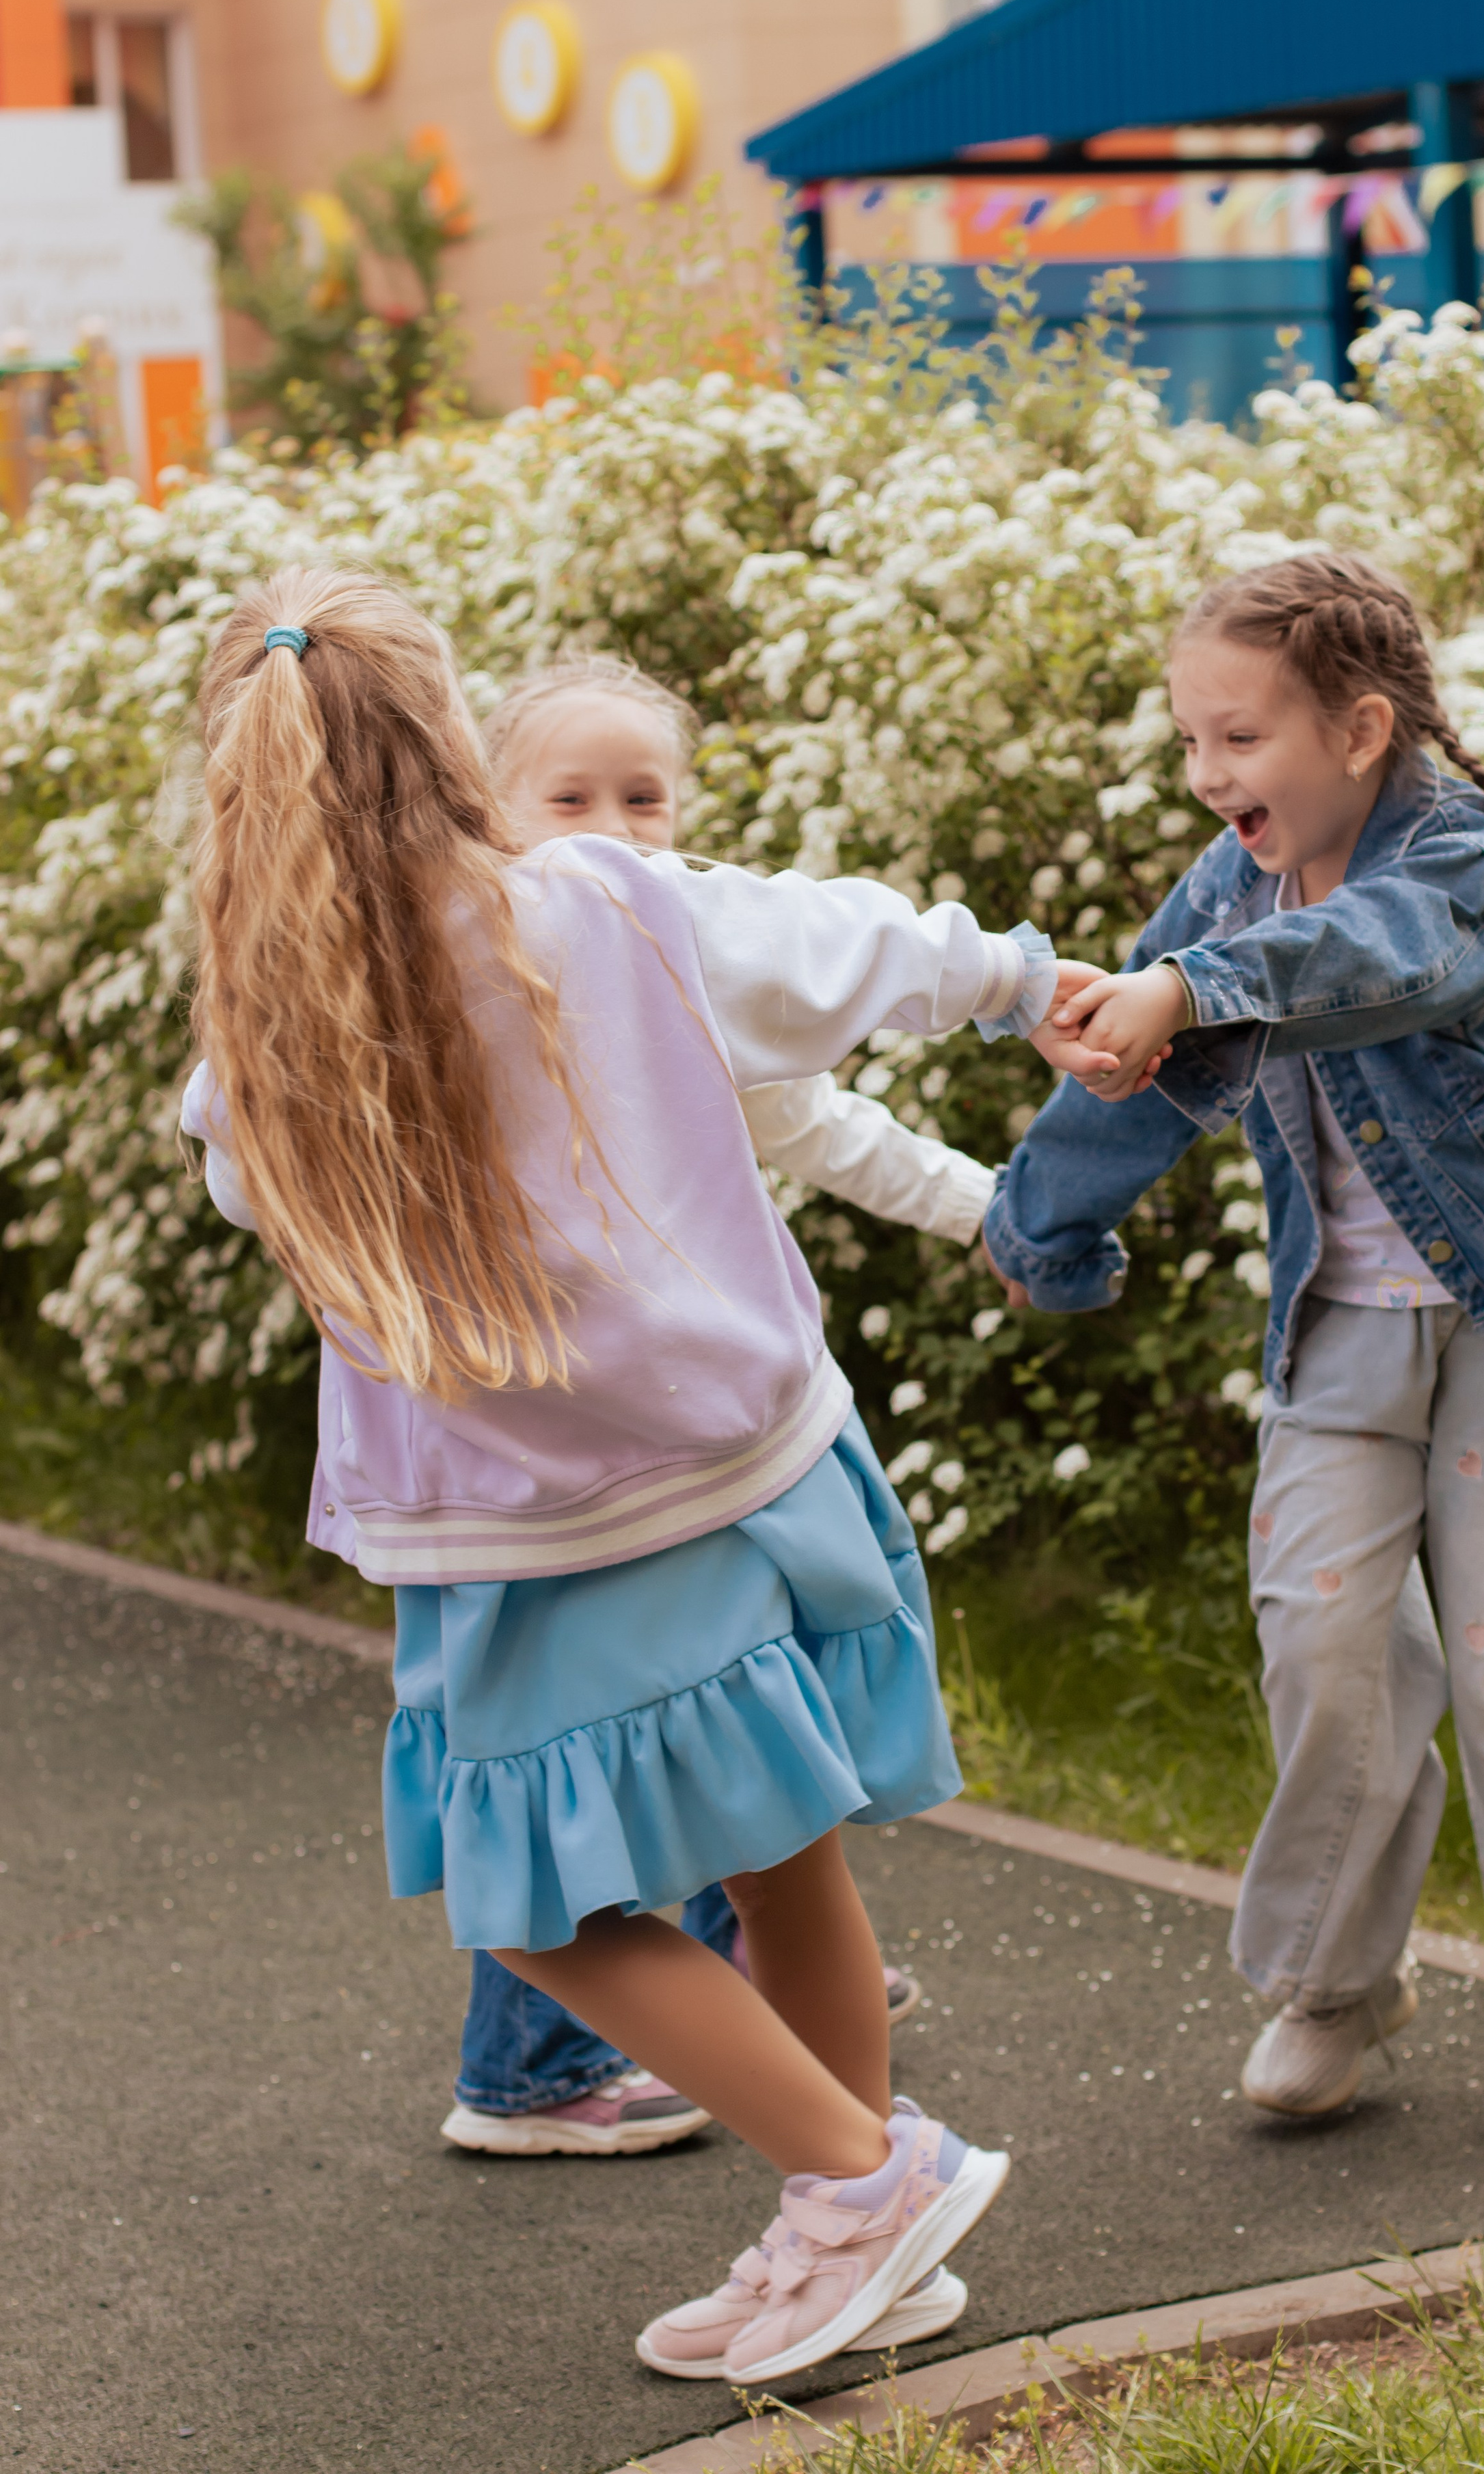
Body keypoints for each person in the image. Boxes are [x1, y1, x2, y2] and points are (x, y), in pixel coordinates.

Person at [179, 569, 1114, 2382]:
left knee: (539, 1913)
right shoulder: (605, 903)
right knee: (783, 1864)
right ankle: (854, 2231)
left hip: (550, 1537)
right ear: (453, 742)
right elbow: (835, 946)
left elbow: (241, 1191)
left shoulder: (271, 1028)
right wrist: (1025, 982)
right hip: (758, 1458)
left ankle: (871, 2182)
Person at [986, 550, 1484, 2144]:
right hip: (1338, 1339)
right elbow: (1132, 1067)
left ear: (1358, 730)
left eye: (1236, 738)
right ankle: (1335, 1984)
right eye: (1188, 739)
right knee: (1320, 1648)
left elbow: (1372, 959)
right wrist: (1039, 1229)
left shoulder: (1455, 859)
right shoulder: (1223, 895)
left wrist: (1186, 987)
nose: (1203, 772)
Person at [440, 654, 997, 2192]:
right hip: (579, 1454)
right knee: (587, 1777)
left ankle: (821, 2135)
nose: (616, 827)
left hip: (695, 1438)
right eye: (571, 798)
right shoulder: (482, 968)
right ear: (492, 813)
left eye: (646, 798)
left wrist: (986, 1210)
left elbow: (812, 1121)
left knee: (687, 1763)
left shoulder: (673, 958)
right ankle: (540, 2067)